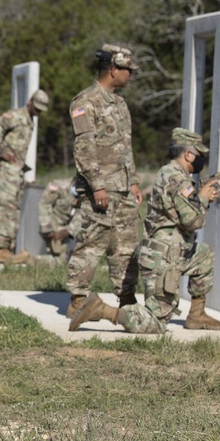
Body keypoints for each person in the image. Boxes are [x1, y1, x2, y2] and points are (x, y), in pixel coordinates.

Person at [70, 128, 220, 333]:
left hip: (174, 250)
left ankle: (196, 314)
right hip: (162, 257)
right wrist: (203, 199)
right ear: (188, 154)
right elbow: (192, 221)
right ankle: (101, 310)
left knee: (204, 255)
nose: (200, 159)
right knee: (155, 323)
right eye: (198, 154)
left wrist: (201, 198)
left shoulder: (175, 174)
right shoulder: (177, 179)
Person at [64, 44, 143, 318]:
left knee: (125, 246)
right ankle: (78, 299)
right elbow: (84, 148)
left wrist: (132, 181)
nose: (130, 76)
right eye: (127, 70)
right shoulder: (85, 102)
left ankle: (127, 298)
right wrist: (97, 184)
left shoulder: (120, 104)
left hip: (122, 188)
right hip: (100, 189)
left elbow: (125, 147)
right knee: (93, 243)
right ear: (113, 69)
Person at [0, 89, 50, 264]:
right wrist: (2, 150)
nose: (38, 113)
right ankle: (2, 248)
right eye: (36, 108)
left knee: (14, 208)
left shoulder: (30, 120)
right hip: (6, 169)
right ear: (30, 101)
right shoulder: (15, 116)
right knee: (6, 207)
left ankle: (9, 246)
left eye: (40, 111)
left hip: (16, 170)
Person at [37, 176, 81, 264]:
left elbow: (81, 214)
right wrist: (47, 229)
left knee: (63, 260)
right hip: (53, 226)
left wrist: (69, 231)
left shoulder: (86, 194)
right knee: (60, 260)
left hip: (66, 229)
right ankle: (31, 260)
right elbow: (44, 204)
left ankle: (32, 259)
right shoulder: (58, 186)